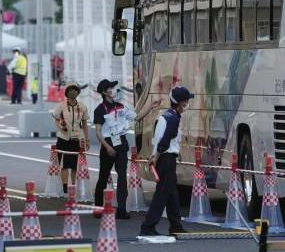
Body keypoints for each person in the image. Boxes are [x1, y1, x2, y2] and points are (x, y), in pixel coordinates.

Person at [94, 79, 161, 219]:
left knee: (122, 176)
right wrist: (107, 147)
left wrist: (150, 106)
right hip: (108, 144)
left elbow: (137, 117)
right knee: (103, 176)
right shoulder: (99, 109)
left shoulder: (120, 106)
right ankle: (98, 207)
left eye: (113, 88)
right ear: (104, 92)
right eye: (110, 88)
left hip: (121, 143)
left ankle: (122, 209)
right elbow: (98, 132)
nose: (113, 90)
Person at [139, 86, 193, 236]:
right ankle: (148, 226)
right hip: (166, 159)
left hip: (166, 157)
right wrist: (156, 157)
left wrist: (157, 154)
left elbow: (162, 139)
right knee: (162, 194)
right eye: (186, 102)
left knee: (172, 194)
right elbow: (166, 139)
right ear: (180, 103)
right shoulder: (173, 118)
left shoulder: (166, 115)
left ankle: (175, 225)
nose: (187, 104)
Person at [52, 82, 90, 194]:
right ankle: (64, 188)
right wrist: (60, 126)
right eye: (71, 90)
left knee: (74, 165)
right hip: (63, 138)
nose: (73, 92)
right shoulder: (61, 106)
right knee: (64, 165)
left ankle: (73, 187)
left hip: (77, 139)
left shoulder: (82, 106)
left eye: (75, 89)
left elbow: (85, 124)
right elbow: (56, 118)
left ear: (78, 92)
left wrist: (87, 139)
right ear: (66, 92)